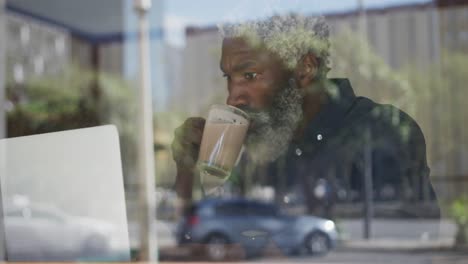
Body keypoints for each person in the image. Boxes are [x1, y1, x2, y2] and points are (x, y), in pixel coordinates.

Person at [172, 14, 438, 217]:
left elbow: (412, 233)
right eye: (228, 78)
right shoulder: (268, 141)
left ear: (305, 69)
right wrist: (187, 170)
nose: (232, 98)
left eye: (250, 75)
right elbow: (205, 229)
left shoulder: (381, 130)